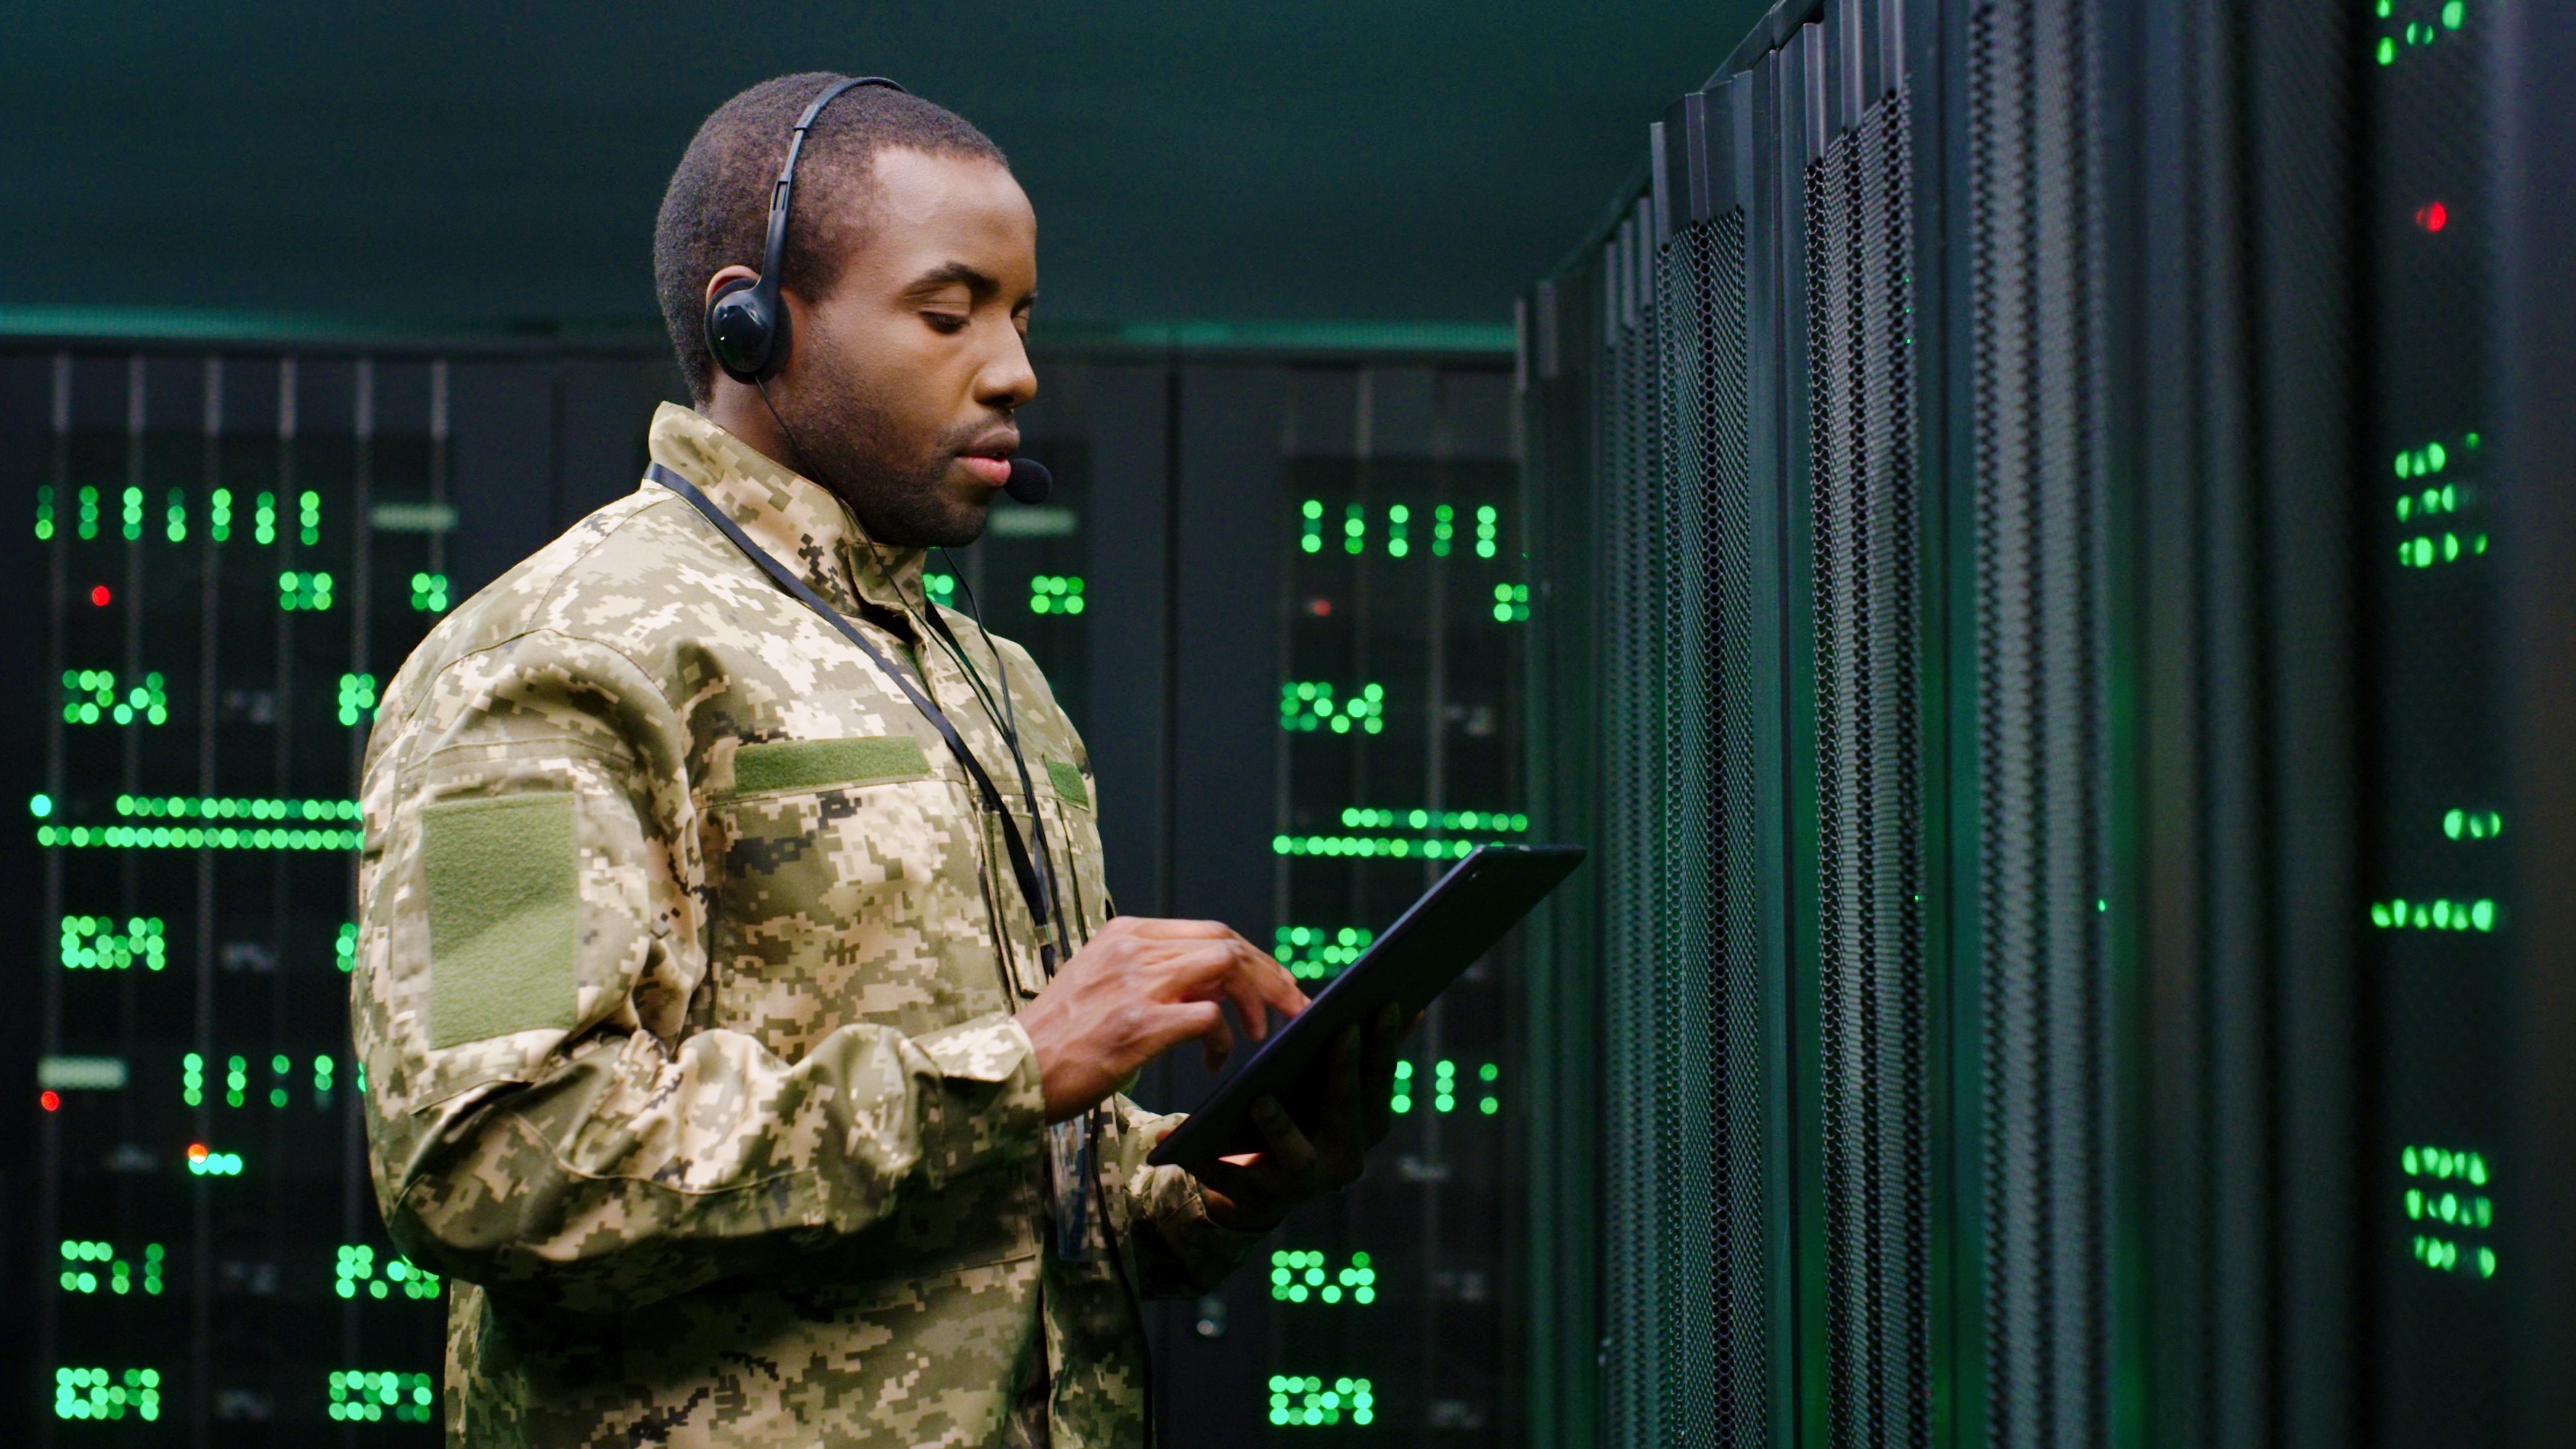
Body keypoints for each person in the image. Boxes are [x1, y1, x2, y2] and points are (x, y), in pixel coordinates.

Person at [349, 72, 1405, 1448]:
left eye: (1022, 317)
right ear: (754, 320)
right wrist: (1017, 1066)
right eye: (948, 311)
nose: (1016, 368)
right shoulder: (541, 660)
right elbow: (486, 1158)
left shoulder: (994, 683)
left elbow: (1005, 1208)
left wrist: (1205, 1181)